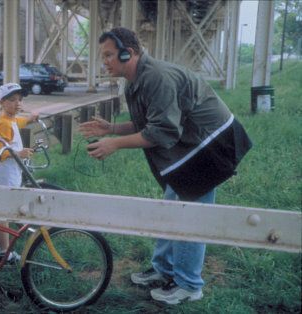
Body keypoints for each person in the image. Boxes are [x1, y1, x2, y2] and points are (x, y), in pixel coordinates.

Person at [79, 27, 252, 305]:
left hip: (212, 146)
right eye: (104, 56)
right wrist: (112, 128)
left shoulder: (156, 78)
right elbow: (150, 122)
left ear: (128, 53)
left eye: (109, 55)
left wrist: (114, 143)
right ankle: (164, 269)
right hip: (189, 145)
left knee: (189, 216)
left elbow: (162, 132)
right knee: (171, 207)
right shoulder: (135, 80)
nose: (105, 61)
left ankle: (189, 285)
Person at [0, 83, 38, 262]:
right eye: (12, 100)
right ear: (1, 102)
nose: (17, 104)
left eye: (20, 100)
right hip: (4, 173)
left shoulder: (11, 119)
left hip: (9, 171)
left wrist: (30, 118)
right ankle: (4, 251)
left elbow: (19, 122)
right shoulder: (3, 123)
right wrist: (18, 153)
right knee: (2, 212)